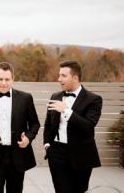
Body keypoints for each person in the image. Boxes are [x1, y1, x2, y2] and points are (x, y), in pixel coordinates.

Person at [0, 61, 40, 193]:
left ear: (13, 79)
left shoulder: (25, 98)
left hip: (18, 156)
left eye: (7, 79)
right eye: (0, 79)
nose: (3, 83)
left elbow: (35, 123)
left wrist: (28, 139)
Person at [44, 60, 102, 193]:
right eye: (59, 75)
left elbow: (88, 126)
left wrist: (66, 111)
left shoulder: (94, 99)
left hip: (81, 155)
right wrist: (47, 144)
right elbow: (48, 124)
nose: (59, 79)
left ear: (75, 78)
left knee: (78, 190)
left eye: (63, 76)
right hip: (56, 154)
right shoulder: (55, 96)